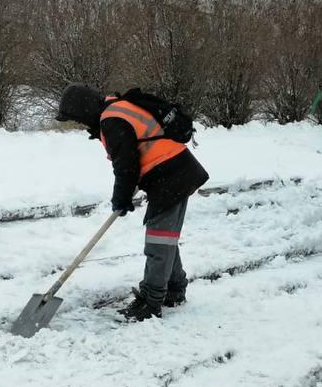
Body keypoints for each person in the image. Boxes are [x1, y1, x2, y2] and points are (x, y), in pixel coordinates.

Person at [55, 84, 209, 322]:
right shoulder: (116, 109)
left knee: (159, 240)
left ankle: (151, 300)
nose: (80, 125)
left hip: (171, 175)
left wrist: (121, 197)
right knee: (164, 237)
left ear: (83, 110)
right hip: (174, 171)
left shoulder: (111, 120)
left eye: (77, 119)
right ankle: (174, 289)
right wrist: (124, 195)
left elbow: (125, 165)